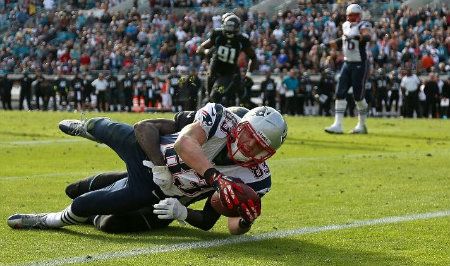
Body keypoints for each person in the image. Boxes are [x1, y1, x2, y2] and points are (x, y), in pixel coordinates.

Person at [8, 103, 287, 235]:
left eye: (259, 148)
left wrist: (246, 217)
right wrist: (213, 178)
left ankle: (50, 219)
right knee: (108, 128)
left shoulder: (257, 178)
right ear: (238, 125)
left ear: (269, 154)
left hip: (160, 189)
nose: (249, 148)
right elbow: (185, 144)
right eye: (248, 136)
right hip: (152, 154)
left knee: (87, 203)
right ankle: (88, 127)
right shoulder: (218, 118)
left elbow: (217, 223)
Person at [324, 3, 372, 134]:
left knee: (358, 96)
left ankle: (361, 125)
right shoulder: (345, 25)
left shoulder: (364, 25)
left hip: (360, 63)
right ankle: (337, 124)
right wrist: (332, 43)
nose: (352, 18)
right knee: (340, 93)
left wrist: (360, 37)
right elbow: (345, 38)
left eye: (355, 15)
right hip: (347, 62)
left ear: (359, 15)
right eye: (350, 15)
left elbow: (367, 36)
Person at [197, 13, 257, 106]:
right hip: (213, 70)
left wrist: (249, 74)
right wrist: (206, 52)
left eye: (231, 27)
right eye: (228, 27)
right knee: (209, 99)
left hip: (228, 73)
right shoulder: (217, 34)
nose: (229, 30)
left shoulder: (242, 40)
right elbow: (200, 48)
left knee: (215, 96)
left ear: (237, 28)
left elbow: (253, 57)